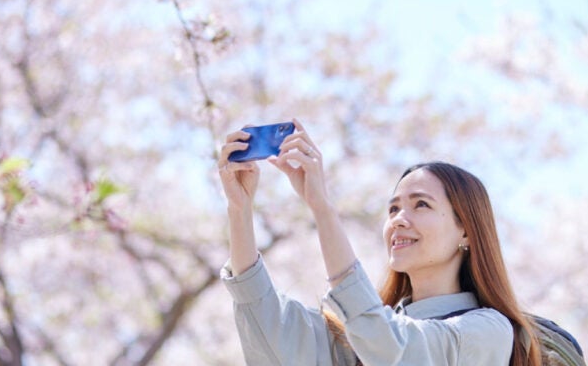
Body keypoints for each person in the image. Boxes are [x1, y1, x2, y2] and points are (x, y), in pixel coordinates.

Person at [218, 119, 541, 366]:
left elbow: (393, 349)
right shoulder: (357, 338)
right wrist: (240, 209)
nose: (399, 219)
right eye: (393, 208)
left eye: (421, 205)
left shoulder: (488, 330)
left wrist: (323, 209)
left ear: (466, 231)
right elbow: (270, 332)